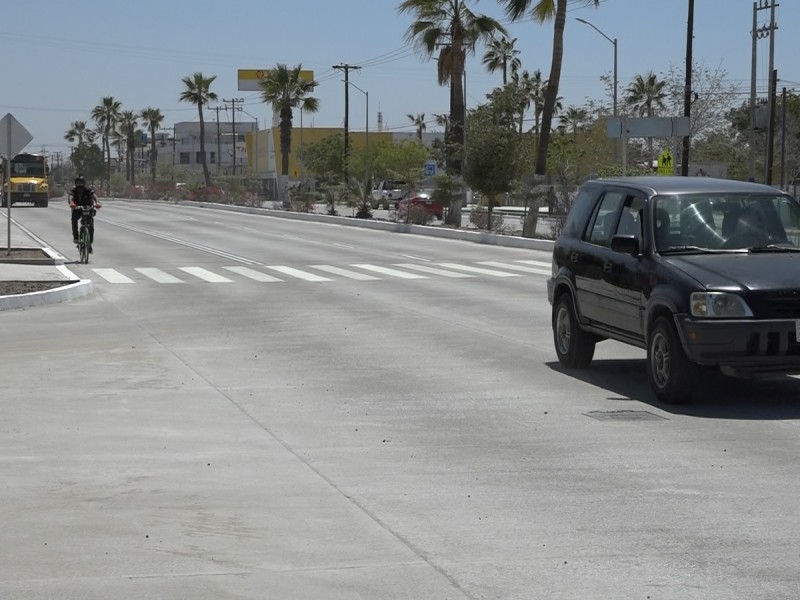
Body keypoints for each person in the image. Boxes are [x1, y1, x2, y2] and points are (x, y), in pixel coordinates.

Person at [68, 175, 102, 251]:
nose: (80, 185)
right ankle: (76, 237)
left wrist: (97, 202)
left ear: (84, 183)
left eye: (81, 183)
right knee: (74, 220)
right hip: (77, 209)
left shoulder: (88, 190)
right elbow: (70, 197)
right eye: (78, 183)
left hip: (87, 208)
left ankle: (89, 243)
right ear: (76, 183)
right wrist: (71, 203)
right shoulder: (73, 190)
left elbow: (94, 196)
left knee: (91, 226)